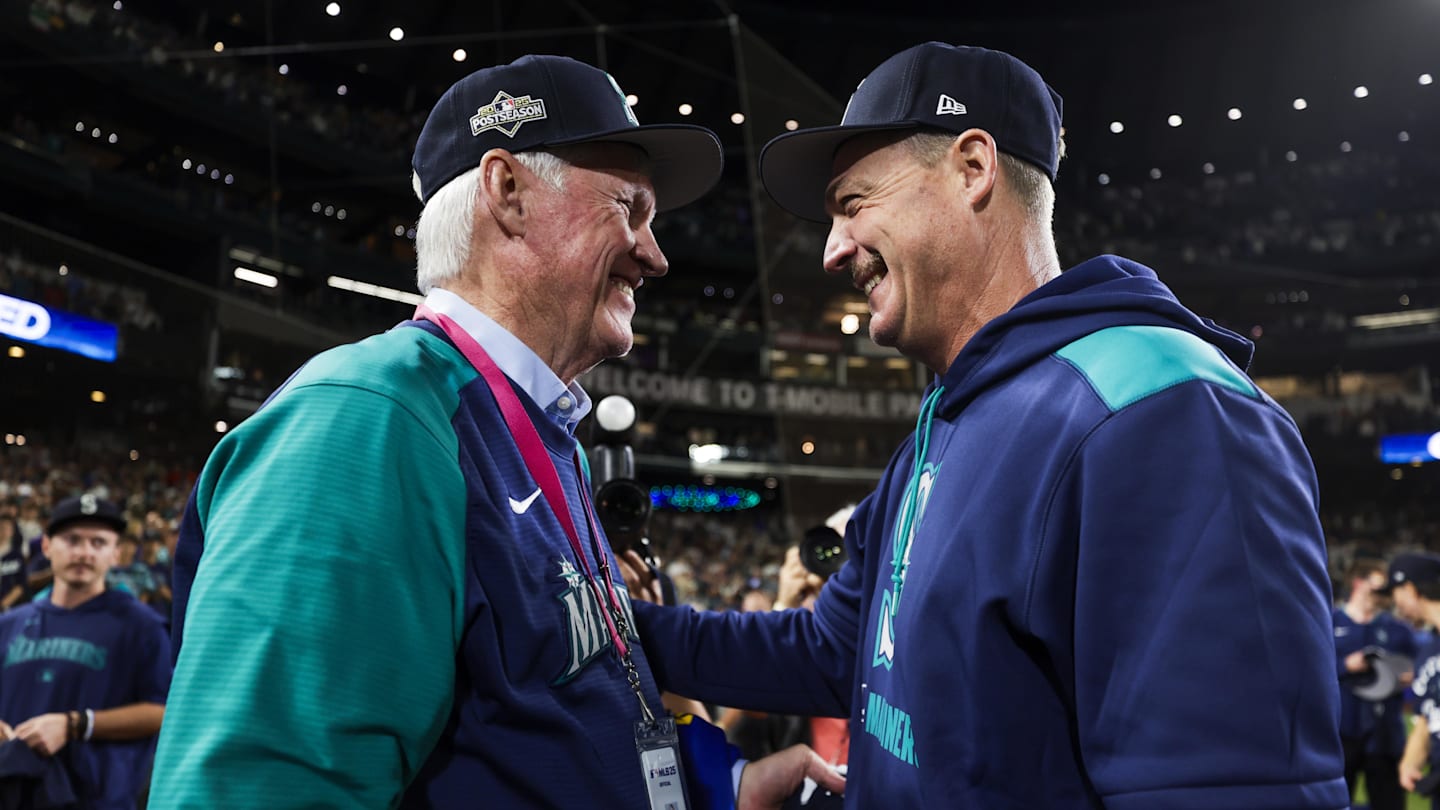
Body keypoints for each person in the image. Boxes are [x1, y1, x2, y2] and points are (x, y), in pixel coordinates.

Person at [628, 42, 1346, 807]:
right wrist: (610, 622)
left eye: (853, 203)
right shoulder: (950, 414)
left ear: (973, 168)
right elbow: (838, 650)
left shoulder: (1167, 406)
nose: (833, 250)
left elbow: (1228, 789)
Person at [149, 54, 842, 809]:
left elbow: (559, 702)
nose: (655, 255)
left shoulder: (539, 432)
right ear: (507, 191)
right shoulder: (370, 417)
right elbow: (258, 788)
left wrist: (721, 783)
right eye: (628, 208)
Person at [0, 495, 171, 809]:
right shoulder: (9, 624)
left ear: (115, 553)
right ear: (47, 546)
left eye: (98, 542)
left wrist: (77, 724)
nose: (84, 552)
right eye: (72, 540)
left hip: (94, 797)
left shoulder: (143, 626)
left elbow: (161, 711)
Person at [1334, 557, 1416, 809]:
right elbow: (1312, 670)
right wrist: (1345, 665)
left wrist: (1407, 676)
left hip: (1384, 734)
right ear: (1358, 583)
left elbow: (1418, 667)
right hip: (1341, 731)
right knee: (1334, 801)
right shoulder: (1330, 622)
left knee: (1389, 802)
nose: (1384, 593)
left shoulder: (1398, 629)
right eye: (1378, 585)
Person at [1379, 553, 1440, 804]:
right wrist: (1409, 763)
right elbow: (1428, 716)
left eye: (1395, 592)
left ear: (1410, 589)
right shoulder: (1429, 651)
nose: (1394, 602)